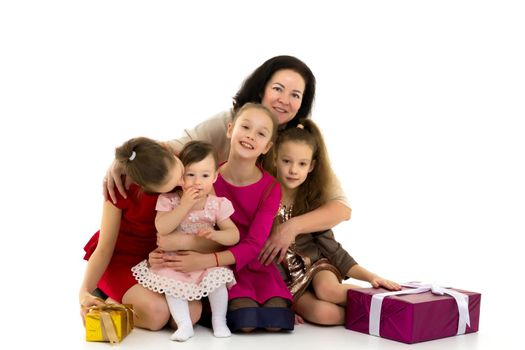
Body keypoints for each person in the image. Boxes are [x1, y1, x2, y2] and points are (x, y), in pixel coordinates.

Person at [103, 56, 352, 261]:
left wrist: (291, 227)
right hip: (218, 235)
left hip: (265, 246)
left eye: (295, 95)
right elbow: (173, 148)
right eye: (278, 89)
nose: (285, 100)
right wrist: (126, 157)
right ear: (262, 88)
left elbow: (341, 208)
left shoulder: (298, 142)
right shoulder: (229, 122)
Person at [150, 103, 294, 332]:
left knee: (277, 322)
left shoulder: (271, 187)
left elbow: (254, 243)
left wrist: (204, 260)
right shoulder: (206, 177)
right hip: (220, 264)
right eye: (245, 127)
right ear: (229, 129)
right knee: (245, 322)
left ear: (267, 146)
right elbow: (189, 223)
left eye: (260, 133)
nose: (250, 136)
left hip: (251, 262)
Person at [266, 119, 401, 325]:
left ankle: (391, 307)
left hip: (317, 268)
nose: (294, 170)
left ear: (311, 166)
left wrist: (370, 276)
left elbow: (333, 250)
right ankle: (372, 318)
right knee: (324, 314)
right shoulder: (263, 198)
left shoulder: (312, 201)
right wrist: (279, 306)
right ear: (274, 159)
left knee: (328, 290)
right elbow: (260, 255)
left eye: (302, 163)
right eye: (287, 161)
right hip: (287, 284)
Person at [79, 137, 202, 330]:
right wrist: (83, 292)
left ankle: (129, 299)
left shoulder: (177, 155)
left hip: (157, 260)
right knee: (156, 315)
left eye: (179, 173)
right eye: (172, 185)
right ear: (145, 188)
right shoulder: (120, 188)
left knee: (191, 313)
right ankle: (104, 295)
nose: (182, 182)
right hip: (121, 260)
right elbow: (104, 248)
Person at [131, 141, 239, 341]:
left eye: (205, 175)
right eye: (191, 174)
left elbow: (234, 235)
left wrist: (216, 234)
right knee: (172, 285)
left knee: (217, 283)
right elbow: (162, 227)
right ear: (181, 176)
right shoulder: (169, 199)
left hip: (203, 260)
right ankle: (184, 325)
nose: (198, 182)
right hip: (174, 260)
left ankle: (219, 321)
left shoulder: (216, 204)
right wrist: (184, 204)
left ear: (215, 177)